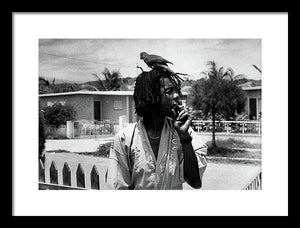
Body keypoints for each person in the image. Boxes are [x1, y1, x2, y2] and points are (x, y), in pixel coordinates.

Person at [106, 67, 207, 190]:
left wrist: (185, 139)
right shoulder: (125, 139)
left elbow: (195, 182)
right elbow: (117, 188)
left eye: (176, 91)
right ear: (152, 96)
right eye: (169, 91)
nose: (176, 96)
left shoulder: (182, 132)